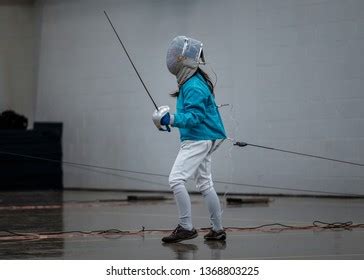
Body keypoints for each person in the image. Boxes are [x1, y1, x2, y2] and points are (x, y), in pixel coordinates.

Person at [152, 36, 227, 243]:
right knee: (205, 184)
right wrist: (169, 120)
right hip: (204, 137)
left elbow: (195, 118)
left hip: (198, 138)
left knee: (176, 179)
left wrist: (171, 119)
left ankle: (186, 227)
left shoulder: (193, 85)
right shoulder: (193, 82)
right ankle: (218, 229)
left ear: (185, 60)